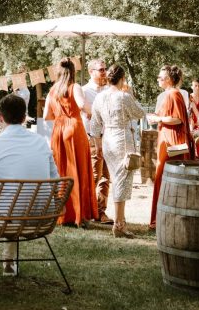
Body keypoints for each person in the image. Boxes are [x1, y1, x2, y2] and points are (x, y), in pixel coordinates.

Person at [0, 94, 59, 276]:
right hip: (44, 215)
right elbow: (56, 181)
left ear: (0, 117)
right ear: (24, 117)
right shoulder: (41, 142)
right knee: (12, 204)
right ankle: (8, 261)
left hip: (12, 215)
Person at [89, 65, 145, 238]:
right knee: (122, 180)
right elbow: (140, 113)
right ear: (122, 79)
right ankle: (119, 225)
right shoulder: (123, 96)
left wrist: (98, 145)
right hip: (122, 140)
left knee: (119, 179)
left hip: (107, 140)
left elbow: (95, 125)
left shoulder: (100, 97)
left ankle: (121, 220)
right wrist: (131, 95)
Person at [43, 57, 97, 226]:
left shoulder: (52, 91)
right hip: (74, 128)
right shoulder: (75, 87)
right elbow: (82, 105)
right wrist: (90, 111)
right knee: (79, 171)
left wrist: (60, 115)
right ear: (74, 71)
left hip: (58, 131)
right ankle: (80, 215)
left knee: (61, 171)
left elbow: (46, 116)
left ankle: (62, 214)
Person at [147, 65, 191, 229]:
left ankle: (161, 218)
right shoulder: (170, 94)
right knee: (163, 175)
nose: (158, 79)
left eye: (160, 77)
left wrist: (159, 119)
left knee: (165, 176)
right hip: (167, 137)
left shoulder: (174, 94)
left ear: (169, 79)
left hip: (172, 140)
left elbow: (177, 119)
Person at [81, 58, 112, 224]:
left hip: (109, 137)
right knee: (94, 175)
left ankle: (101, 212)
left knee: (106, 177)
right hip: (92, 138)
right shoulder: (84, 91)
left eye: (105, 69)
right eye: (101, 69)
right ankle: (86, 210)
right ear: (91, 72)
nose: (104, 72)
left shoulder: (110, 91)